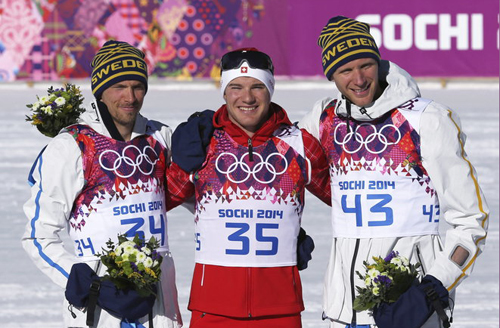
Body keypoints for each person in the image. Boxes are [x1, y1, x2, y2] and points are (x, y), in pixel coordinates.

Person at [299, 16, 489, 328]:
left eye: (365, 65)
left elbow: (471, 221)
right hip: (343, 311)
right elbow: (276, 161)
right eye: (345, 70)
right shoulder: (323, 120)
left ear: (378, 62)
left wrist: (434, 286)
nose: (358, 79)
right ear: (331, 76)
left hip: (411, 308)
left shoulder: (426, 119)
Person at [21, 40, 182, 328]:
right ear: (100, 91)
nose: (130, 97)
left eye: (138, 86)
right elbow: (38, 236)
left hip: (159, 313)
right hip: (99, 312)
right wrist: (83, 280)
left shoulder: (160, 138)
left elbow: (206, 200)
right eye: (119, 86)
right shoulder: (71, 146)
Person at [166, 48, 331, 328]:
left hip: (280, 310)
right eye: (236, 87)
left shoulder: (299, 145)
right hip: (212, 310)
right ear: (223, 92)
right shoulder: (202, 144)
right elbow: (153, 198)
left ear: (270, 89)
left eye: (257, 86)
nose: (247, 97)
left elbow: (346, 194)